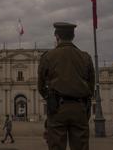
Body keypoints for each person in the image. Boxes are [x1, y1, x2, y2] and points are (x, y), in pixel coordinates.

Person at [38, 22, 95, 150]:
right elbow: (91, 87)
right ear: (73, 36)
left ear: (57, 36)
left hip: (57, 108)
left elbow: (41, 85)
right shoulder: (86, 57)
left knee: (56, 146)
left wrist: (50, 98)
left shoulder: (48, 56)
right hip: (79, 108)